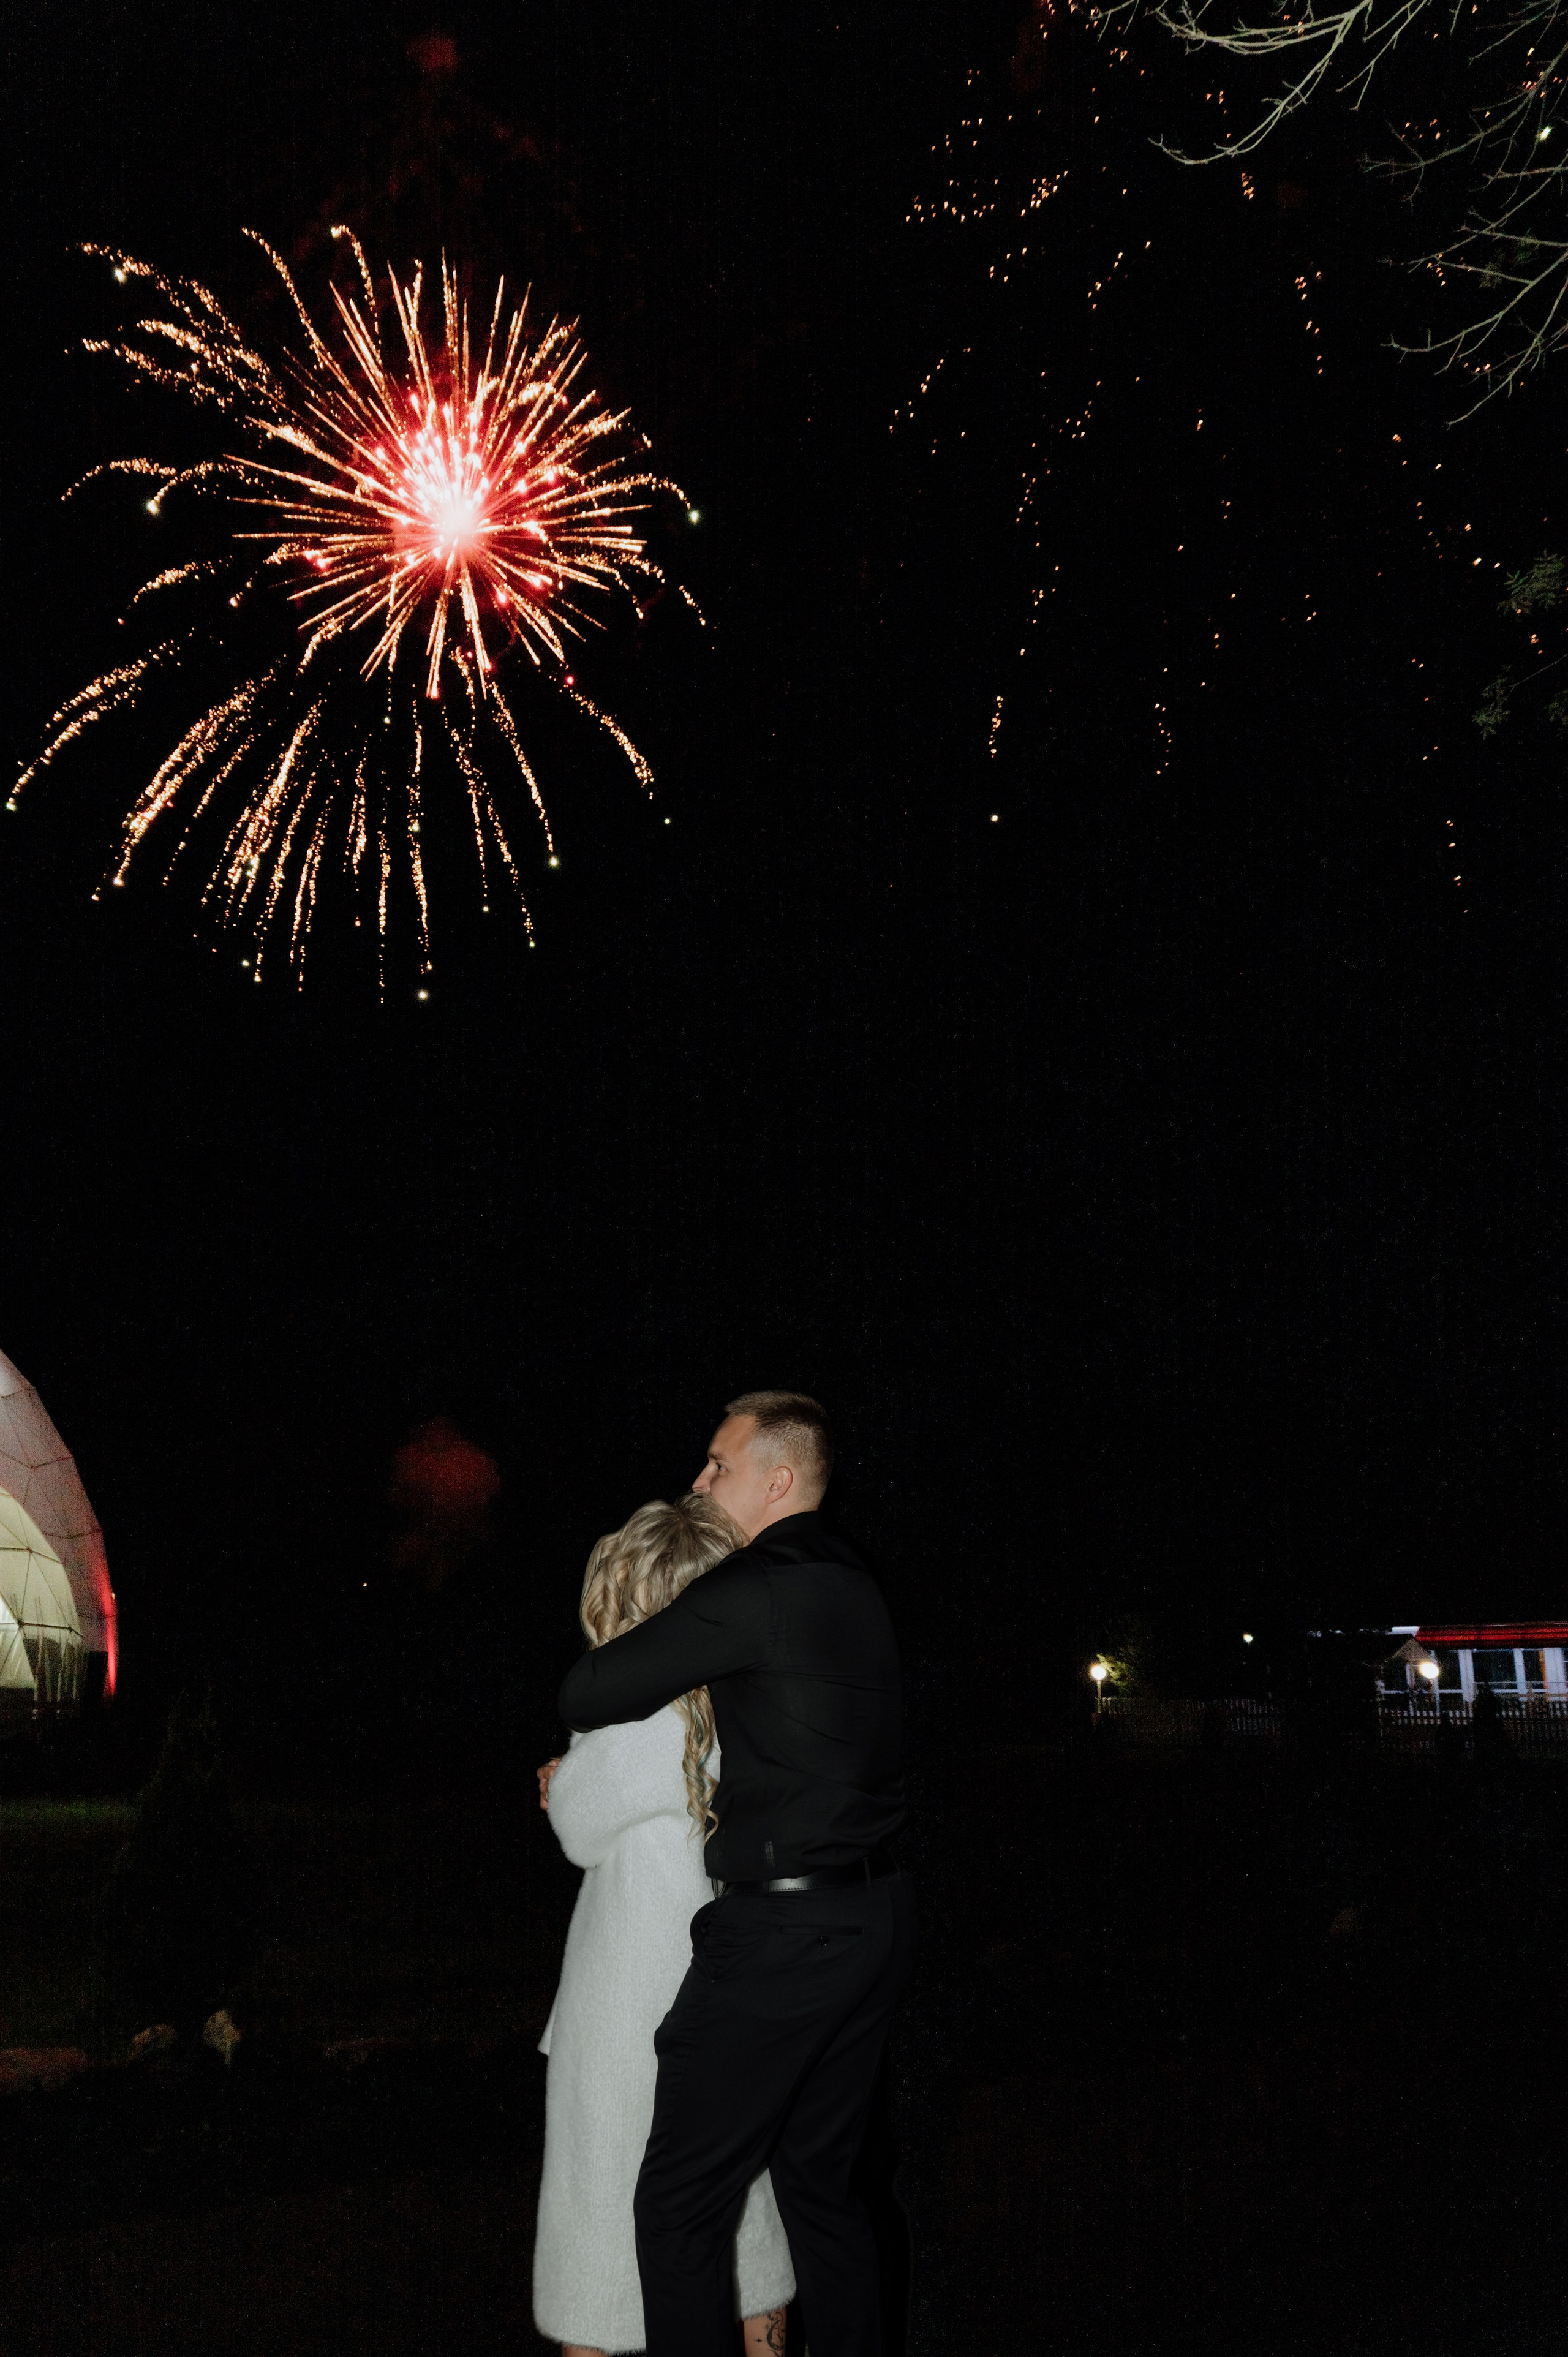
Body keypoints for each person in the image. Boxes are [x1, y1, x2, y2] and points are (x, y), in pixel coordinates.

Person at [558, 1392, 913, 2357]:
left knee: (678, 2204)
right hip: (875, 1920)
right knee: (821, 2190)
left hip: (784, 1940)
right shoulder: (854, 1576)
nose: (699, 1480)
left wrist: (667, 1623)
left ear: (779, 1481)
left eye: (718, 1465)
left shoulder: (757, 1585)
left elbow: (590, 1687)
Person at [533, 1493, 794, 2357]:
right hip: (731, 1999)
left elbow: (576, 1822)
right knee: (740, 2204)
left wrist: (566, 1776)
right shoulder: (759, 1707)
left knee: (601, 2227)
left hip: (628, 2016)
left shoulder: (636, 1713)